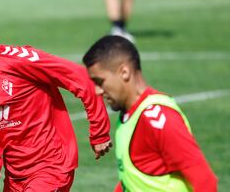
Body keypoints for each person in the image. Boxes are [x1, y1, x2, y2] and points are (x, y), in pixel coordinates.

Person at [0, 0, 112, 191]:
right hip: (15, 176)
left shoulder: (19, 60)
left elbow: (81, 78)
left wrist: (99, 132)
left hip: (51, 167)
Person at [82, 35, 217, 192]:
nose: (97, 91)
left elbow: (205, 181)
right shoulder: (128, 116)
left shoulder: (159, 118)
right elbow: (132, 179)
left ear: (124, 72)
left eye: (100, 82)